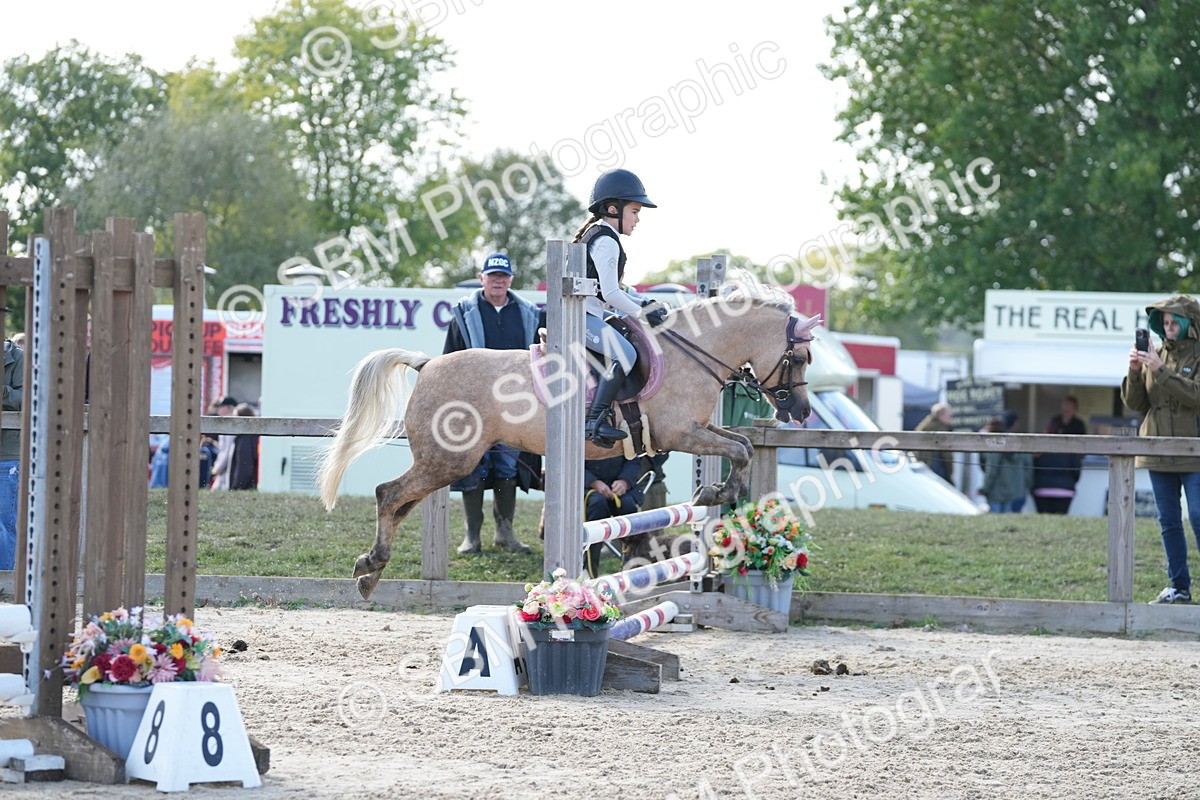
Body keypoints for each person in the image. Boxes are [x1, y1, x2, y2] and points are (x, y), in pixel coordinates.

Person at [443, 253, 542, 554]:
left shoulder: (530, 313)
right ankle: (472, 536)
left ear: (511, 279)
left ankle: (505, 533)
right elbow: (450, 360)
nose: (498, 281)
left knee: (507, 468)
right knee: (472, 465)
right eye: (493, 275)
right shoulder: (464, 313)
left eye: (504, 276)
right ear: (481, 278)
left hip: (515, 405)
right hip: (475, 406)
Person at [571, 168, 669, 447]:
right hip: (580, 318)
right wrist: (643, 312)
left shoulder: (600, 235)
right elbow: (612, 294)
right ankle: (595, 420)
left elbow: (610, 290)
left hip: (589, 311)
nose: (638, 219)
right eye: (635, 211)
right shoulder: (606, 242)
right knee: (625, 354)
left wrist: (643, 302)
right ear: (613, 209)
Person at [1121, 295, 1200, 604]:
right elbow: (1137, 404)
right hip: (1157, 450)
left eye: (1174, 322)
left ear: (1188, 324)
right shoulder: (1155, 355)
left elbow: (1195, 397)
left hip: (1195, 452)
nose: (1168, 328)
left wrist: (1160, 369)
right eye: (1164, 323)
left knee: (1198, 515)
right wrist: (1136, 371)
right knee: (1168, 521)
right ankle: (1179, 588)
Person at [582, 454, 649, 578]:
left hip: (620, 486)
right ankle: (589, 574)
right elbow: (568, 458)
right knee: (597, 506)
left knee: (628, 506)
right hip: (586, 487)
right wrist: (592, 481)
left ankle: (632, 572)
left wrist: (625, 481)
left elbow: (633, 458)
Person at [1032, 396, 1086, 514]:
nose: (1066, 408)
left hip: (1049, 484)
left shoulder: (1078, 424)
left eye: (1069, 406)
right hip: (1062, 485)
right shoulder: (1055, 420)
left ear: (1075, 408)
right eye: (1065, 405)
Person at [978, 412, 1033, 513]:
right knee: (1012, 524)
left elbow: (991, 470)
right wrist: (1027, 487)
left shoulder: (993, 447)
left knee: (995, 524)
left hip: (996, 493)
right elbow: (1028, 470)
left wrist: (984, 489)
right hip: (1017, 492)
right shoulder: (1021, 445)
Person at [0, 339, 23, 569]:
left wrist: (3, 392)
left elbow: (27, 398)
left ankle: (4, 584)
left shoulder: (20, 358)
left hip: (7, 454)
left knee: (4, 524)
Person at [914, 402, 955, 483]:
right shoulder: (940, 429)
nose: (951, 418)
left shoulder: (925, 425)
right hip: (935, 465)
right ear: (941, 415)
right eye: (949, 415)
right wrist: (950, 472)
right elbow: (946, 454)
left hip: (924, 465)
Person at [208, 395, 239, 490]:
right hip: (225, 469)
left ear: (229, 407)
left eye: (221, 406)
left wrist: (217, 468)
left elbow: (227, 451)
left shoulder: (232, 424)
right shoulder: (226, 422)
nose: (218, 409)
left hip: (228, 469)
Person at [228, 402, 260, 491]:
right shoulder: (250, 435)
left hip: (244, 487)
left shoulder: (245, 438)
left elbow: (244, 466)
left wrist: (236, 487)